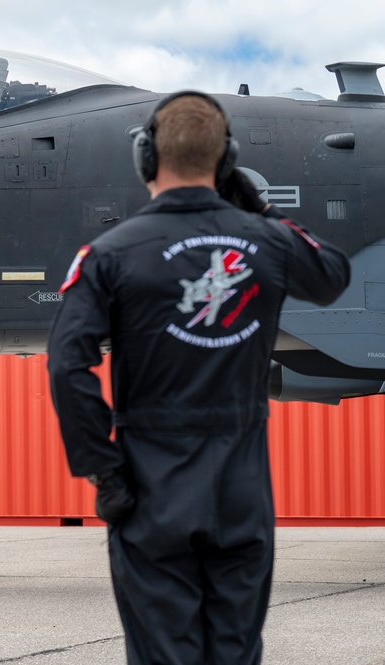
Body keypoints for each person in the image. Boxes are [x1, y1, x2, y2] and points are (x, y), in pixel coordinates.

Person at [47, 91, 350, 664]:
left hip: (150, 490)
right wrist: (259, 211)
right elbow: (331, 275)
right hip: (241, 490)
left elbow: (67, 364)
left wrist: (103, 471)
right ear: (227, 159)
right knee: (236, 651)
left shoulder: (109, 254)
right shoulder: (267, 241)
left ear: (145, 158)